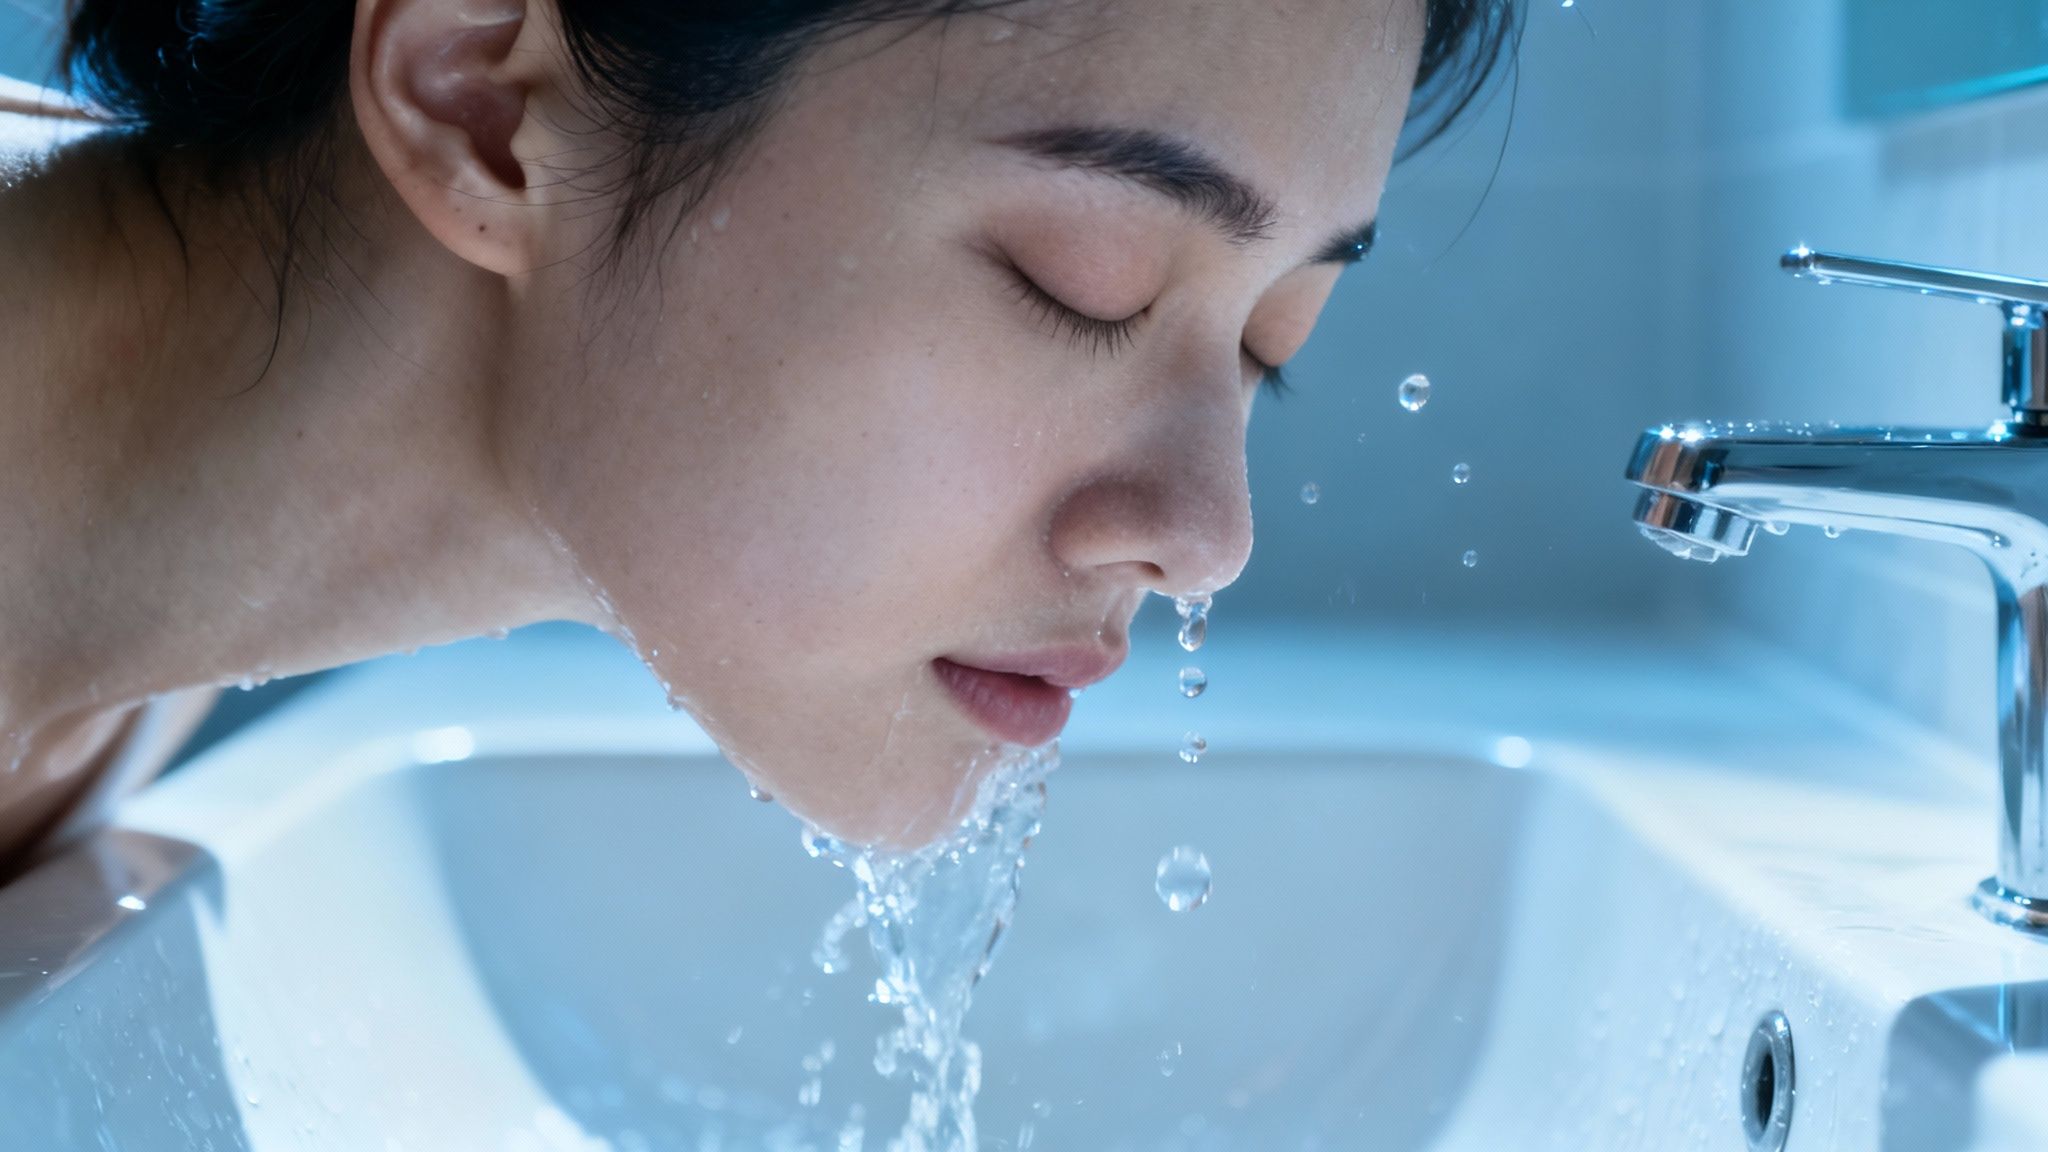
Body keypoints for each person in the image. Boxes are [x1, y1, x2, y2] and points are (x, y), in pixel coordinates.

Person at [0, 0, 1515, 875]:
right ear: (478, 102)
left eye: (1274, 343)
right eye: (1081, 278)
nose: (1207, 536)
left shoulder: (108, 584)